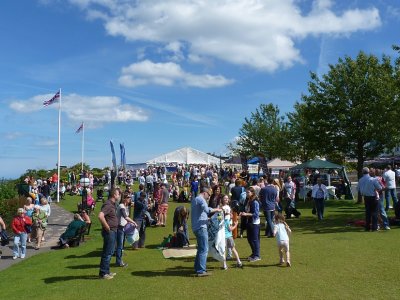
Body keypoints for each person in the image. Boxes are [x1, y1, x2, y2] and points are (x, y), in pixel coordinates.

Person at [191, 187, 221, 276]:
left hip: (196, 227)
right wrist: (217, 209)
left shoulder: (195, 199)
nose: (209, 197)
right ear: (204, 193)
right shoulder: (201, 199)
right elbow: (207, 210)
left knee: (200, 248)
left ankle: (197, 267)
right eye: (208, 195)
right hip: (201, 227)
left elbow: (200, 213)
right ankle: (201, 270)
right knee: (204, 248)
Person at [98, 188, 120, 279]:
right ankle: (103, 273)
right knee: (107, 252)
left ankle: (106, 271)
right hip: (110, 231)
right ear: (114, 195)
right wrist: (106, 226)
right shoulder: (108, 205)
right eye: (118, 194)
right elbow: (100, 215)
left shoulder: (112, 205)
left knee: (110, 251)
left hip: (113, 230)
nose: (119, 196)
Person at [239, 187, 261, 262]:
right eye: (246, 192)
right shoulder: (248, 200)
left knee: (255, 240)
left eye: (248, 192)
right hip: (249, 222)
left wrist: (246, 214)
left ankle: (257, 255)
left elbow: (256, 214)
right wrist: (243, 213)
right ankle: (254, 253)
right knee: (249, 239)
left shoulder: (255, 202)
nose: (247, 194)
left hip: (254, 223)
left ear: (252, 193)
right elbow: (246, 209)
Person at [221, 196, 242, 268]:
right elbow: (230, 229)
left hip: (223, 236)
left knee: (224, 251)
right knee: (233, 249)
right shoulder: (227, 221)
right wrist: (235, 225)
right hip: (228, 236)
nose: (231, 213)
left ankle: (224, 265)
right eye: (229, 212)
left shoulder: (223, 221)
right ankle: (239, 262)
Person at [116, 192, 137, 267]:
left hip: (123, 228)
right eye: (128, 198)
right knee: (120, 246)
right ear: (124, 199)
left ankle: (119, 260)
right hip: (120, 228)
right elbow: (125, 217)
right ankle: (119, 262)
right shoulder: (121, 206)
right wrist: (133, 222)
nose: (130, 199)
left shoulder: (125, 206)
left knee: (122, 246)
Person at [358, 167, 382, 231]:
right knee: (374, 212)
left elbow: (358, 189)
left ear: (362, 172)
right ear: (368, 172)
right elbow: (379, 187)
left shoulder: (360, 180)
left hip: (366, 197)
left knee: (368, 213)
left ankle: (367, 227)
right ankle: (374, 227)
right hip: (373, 197)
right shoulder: (373, 179)